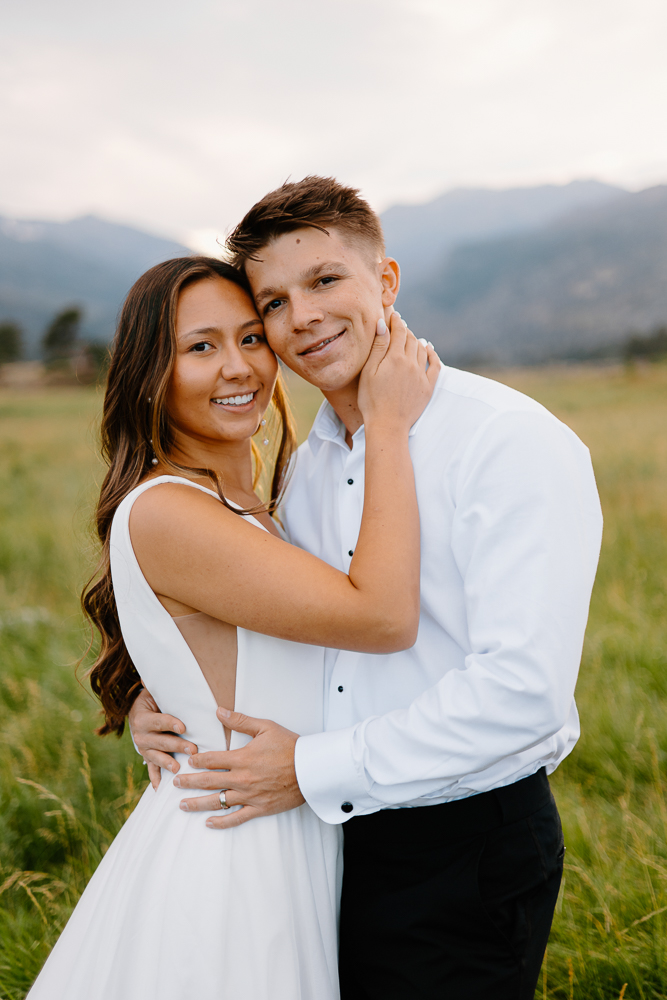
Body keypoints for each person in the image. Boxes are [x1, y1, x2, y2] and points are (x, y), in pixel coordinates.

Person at [132, 177, 604, 1000]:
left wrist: (311, 769)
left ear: (384, 282)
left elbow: (522, 693)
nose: (302, 317)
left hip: (460, 844)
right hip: (320, 838)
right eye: (273, 302)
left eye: (324, 281)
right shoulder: (307, 465)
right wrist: (176, 696)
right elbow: (292, 625)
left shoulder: (510, 441)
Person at [26, 255, 438, 1000]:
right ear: (151, 371)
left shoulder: (246, 500)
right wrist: (387, 425)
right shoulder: (170, 509)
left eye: (252, 338)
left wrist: (165, 697)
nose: (238, 367)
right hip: (233, 851)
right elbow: (379, 616)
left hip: (286, 820)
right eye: (201, 347)